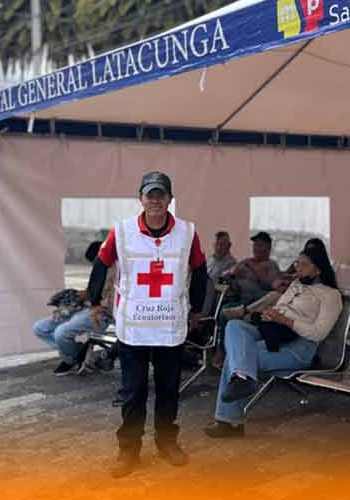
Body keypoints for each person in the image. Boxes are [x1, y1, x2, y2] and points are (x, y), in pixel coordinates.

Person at [85, 171, 208, 478]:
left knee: (168, 390)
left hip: (170, 326)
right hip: (134, 328)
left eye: (161, 195)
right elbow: (101, 263)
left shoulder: (187, 232)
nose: (155, 200)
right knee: (133, 391)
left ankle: (167, 442)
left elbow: (199, 270)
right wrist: (95, 301)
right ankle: (128, 450)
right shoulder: (122, 231)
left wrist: (195, 309)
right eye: (150, 195)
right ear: (140, 199)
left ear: (170, 199)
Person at [204, 246, 342, 438]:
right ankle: (242, 382)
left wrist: (286, 321)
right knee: (235, 326)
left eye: (304, 265)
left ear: (318, 269)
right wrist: (270, 314)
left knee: (237, 359)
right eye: (297, 263)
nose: (298, 268)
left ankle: (230, 420)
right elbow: (281, 307)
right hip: (274, 336)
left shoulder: (330, 295)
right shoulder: (296, 285)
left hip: (298, 348)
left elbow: (319, 333)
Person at [32, 240, 113, 376]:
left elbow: (107, 298)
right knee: (40, 328)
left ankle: (71, 358)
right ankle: (77, 353)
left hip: (100, 312)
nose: (94, 266)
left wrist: (93, 300)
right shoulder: (99, 270)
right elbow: (91, 292)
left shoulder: (116, 271)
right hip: (84, 308)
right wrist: (73, 300)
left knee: (61, 333)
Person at [227, 232, 282, 304]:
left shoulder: (271, 265)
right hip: (237, 297)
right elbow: (230, 275)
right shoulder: (246, 261)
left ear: (269, 248)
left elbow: (270, 286)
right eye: (255, 245)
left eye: (260, 245)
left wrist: (253, 267)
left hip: (257, 302)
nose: (256, 248)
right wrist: (234, 275)